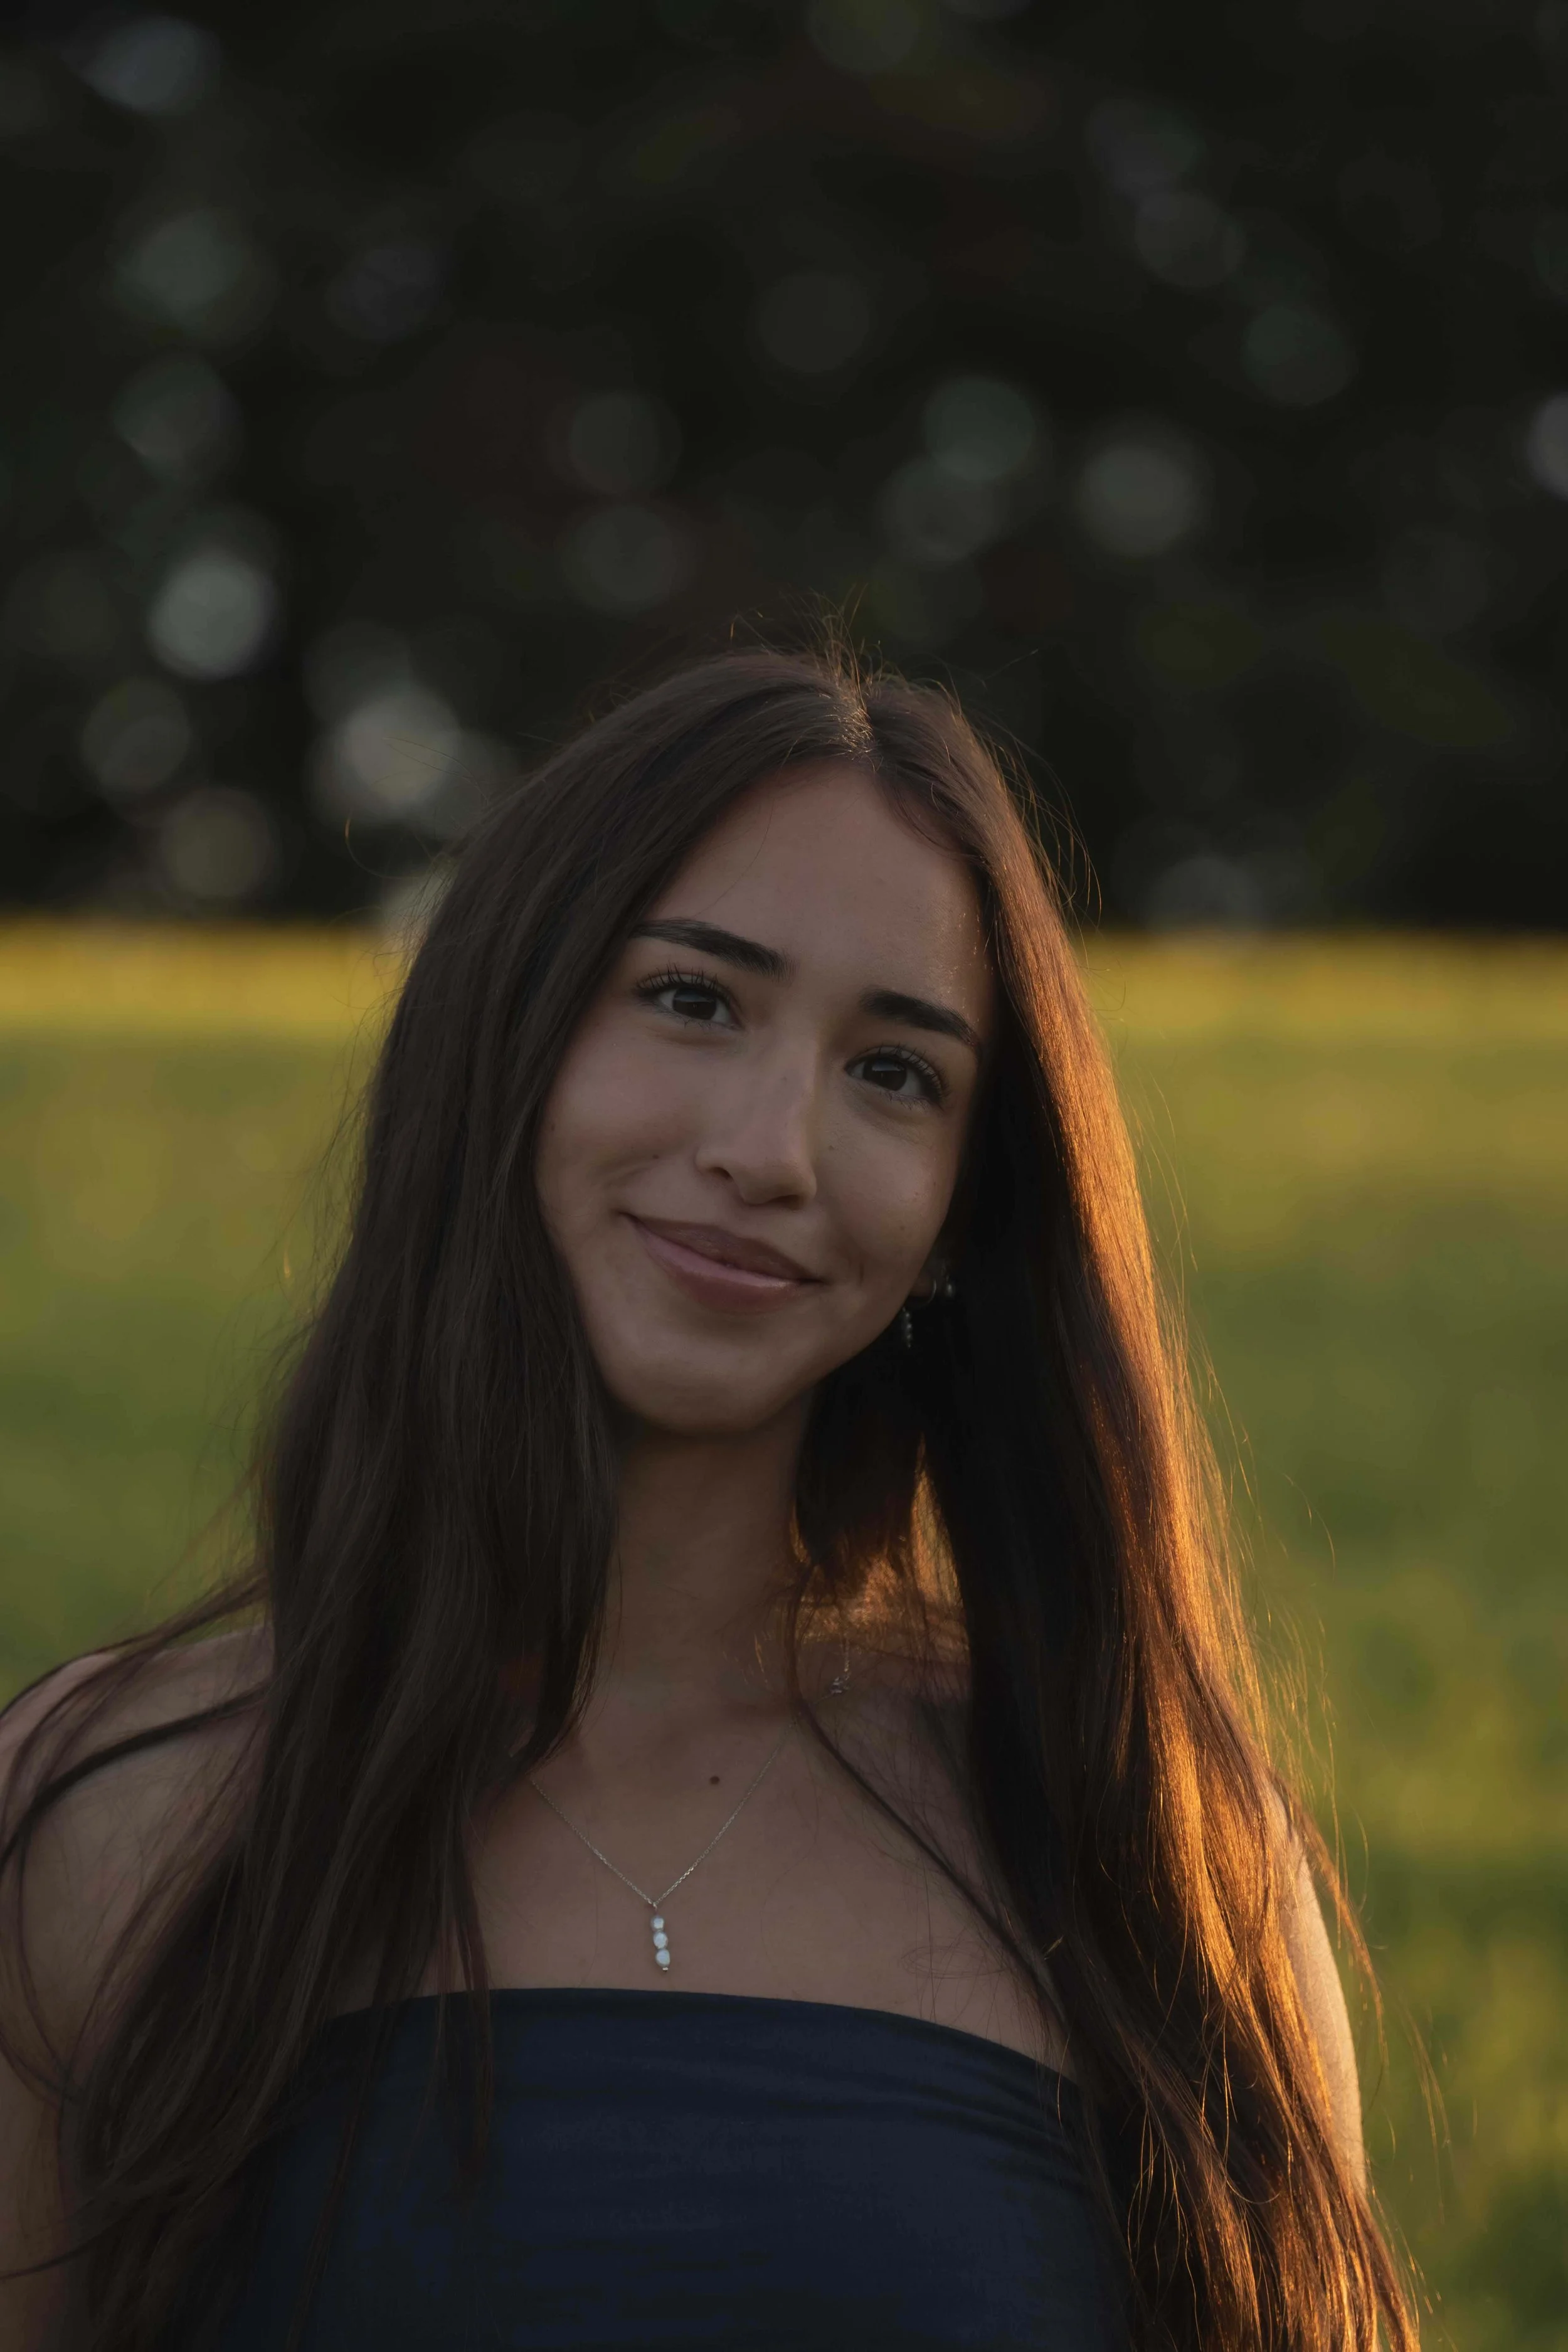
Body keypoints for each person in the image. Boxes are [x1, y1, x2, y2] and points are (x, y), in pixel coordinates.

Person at [0, 649, 1413, 2351]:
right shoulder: (105, 1811)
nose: (772, 1147)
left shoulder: (1145, 1841)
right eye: (692, 999)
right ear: (501, 1033)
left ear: (966, 1214)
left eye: (894, 1072)